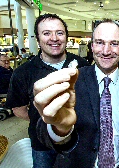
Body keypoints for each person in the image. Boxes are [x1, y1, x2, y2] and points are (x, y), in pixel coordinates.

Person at [33, 19, 119, 167]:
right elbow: (43, 133)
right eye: (99, 42)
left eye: (114, 43)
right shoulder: (72, 80)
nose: (106, 51)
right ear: (92, 46)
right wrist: (60, 128)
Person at [5, 13, 89, 168]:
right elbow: (18, 109)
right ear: (37, 39)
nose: (54, 38)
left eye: (59, 32)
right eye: (46, 33)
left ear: (66, 37)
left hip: (77, 137)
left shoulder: (82, 65)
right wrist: (49, 122)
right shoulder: (23, 72)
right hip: (42, 144)